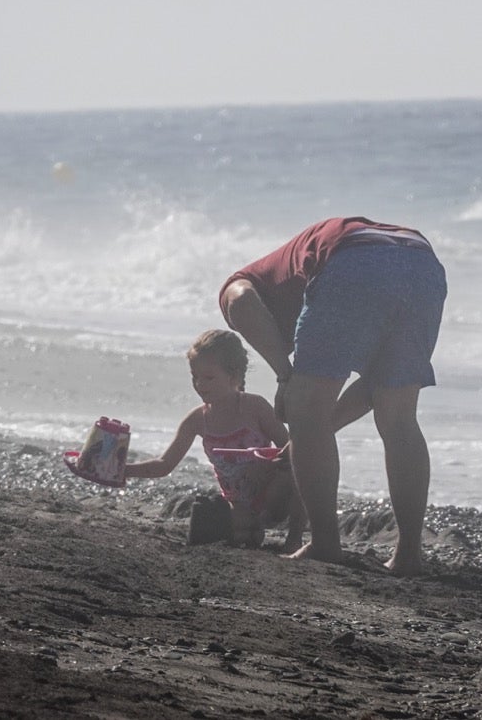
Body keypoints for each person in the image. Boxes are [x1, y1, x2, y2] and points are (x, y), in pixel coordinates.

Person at [219, 217, 446, 575]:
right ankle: (408, 555)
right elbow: (373, 386)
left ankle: (325, 544)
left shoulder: (246, 281)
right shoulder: (297, 275)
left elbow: (240, 300)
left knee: (304, 410)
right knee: (398, 415)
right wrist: (314, 431)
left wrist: (284, 375)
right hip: (421, 261)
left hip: (350, 257)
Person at [123, 330, 305, 549]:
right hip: (236, 502)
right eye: (195, 377)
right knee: (202, 522)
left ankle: (294, 538)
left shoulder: (255, 407)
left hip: (271, 494)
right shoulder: (197, 420)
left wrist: (265, 467)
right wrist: (124, 470)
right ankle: (249, 528)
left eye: (208, 377)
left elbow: (293, 447)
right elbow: (164, 465)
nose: (200, 384)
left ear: (233, 376)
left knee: (298, 473)